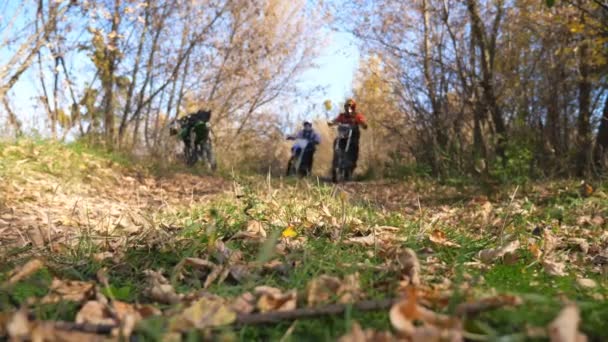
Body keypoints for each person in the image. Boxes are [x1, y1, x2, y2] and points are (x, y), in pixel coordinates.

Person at [328, 99, 367, 173]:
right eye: (347, 106)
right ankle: (336, 160)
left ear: (353, 107)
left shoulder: (356, 115)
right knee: (336, 141)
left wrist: (363, 124)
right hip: (343, 135)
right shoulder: (342, 116)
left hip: (353, 136)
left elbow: (362, 121)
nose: (348, 108)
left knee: (354, 146)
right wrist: (331, 122)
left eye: (350, 106)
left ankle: (352, 164)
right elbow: (335, 120)